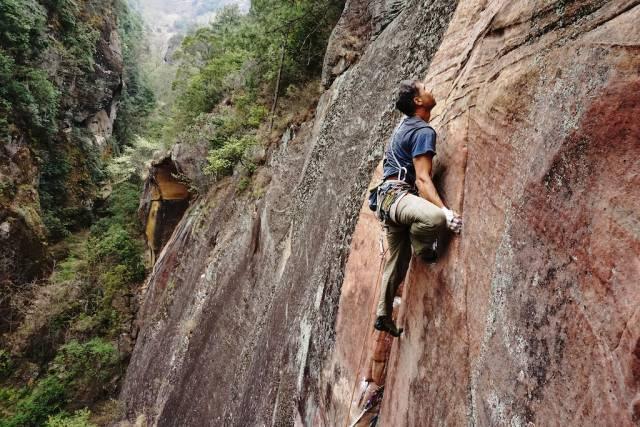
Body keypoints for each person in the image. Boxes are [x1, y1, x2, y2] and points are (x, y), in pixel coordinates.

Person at [372, 80, 462, 337]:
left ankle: (382, 315)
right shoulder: (423, 130)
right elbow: (422, 180)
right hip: (399, 197)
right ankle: (422, 246)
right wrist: (445, 213)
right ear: (418, 102)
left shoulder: (403, 126)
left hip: (386, 201)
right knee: (434, 218)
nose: (430, 88)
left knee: (397, 262)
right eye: (424, 88)